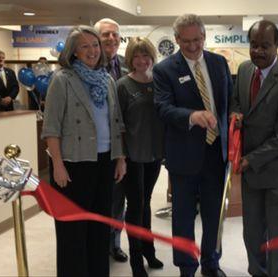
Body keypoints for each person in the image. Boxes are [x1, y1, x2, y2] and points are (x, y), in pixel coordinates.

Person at [41, 25, 126, 277]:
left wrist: (120, 158)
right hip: (73, 165)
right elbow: (51, 128)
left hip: (104, 162)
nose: (92, 51)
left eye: (95, 45)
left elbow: (116, 122)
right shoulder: (62, 79)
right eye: (85, 46)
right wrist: (57, 164)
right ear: (74, 52)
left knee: (100, 228)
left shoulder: (107, 79)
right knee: (73, 232)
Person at [153, 14, 232, 277]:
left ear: (204, 36)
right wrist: (191, 116)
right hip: (183, 156)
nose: (193, 46)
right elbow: (163, 108)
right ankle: (187, 267)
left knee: (213, 216)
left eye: (197, 39)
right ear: (176, 39)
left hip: (215, 154)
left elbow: (230, 102)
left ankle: (211, 262)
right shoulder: (164, 70)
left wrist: (236, 116)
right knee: (183, 218)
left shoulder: (219, 63)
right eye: (186, 41)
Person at [230, 20, 278, 277]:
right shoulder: (244, 68)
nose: (258, 51)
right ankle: (258, 272)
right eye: (254, 45)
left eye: (265, 46)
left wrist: (249, 159)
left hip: (277, 173)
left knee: (277, 235)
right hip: (250, 171)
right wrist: (236, 113)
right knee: (251, 232)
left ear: (277, 46)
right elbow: (236, 101)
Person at [116, 37, 165, 276]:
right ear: (130, 59)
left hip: (154, 155)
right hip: (132, 156)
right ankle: (137, 260)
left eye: (145, 56)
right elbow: (118, 125)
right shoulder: (123, 85)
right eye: (136, 56)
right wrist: (121, 158)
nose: (141, 60)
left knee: (145, 204)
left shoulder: (159, 83)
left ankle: (149, 251)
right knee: (135, 207)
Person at [94, 17, 131, 262]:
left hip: (124, 145)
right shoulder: (87, 66)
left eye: (115, 35)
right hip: (97, 147)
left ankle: (114, 243)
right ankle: (96, 243)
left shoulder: (129, 66)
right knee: (98, 198)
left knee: (118, 199)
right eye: (106, 34)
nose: (111, 38)